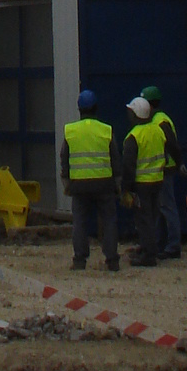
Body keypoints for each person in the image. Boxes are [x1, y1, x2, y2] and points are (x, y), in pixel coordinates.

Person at [59, 88, 121, 274]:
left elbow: (64, 158)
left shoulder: (71, 131)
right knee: (109, 220)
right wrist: (117, 183)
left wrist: (67, 183)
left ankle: (79, 260)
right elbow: (115, 158)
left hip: (79, 185)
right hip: (104, 184)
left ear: (79, 109)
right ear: (96, 108)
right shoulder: (105, 130)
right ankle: (112, 260)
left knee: (80, 222)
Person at [125, 96, 166, 268]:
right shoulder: (158, 130)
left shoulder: (134, 136)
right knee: (153, 217)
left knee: (143, 220)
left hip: (142, 184)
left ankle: (149, 255)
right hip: (157, 180)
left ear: (136, 114)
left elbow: (128, 165)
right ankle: (148, 248)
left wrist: (125, 189)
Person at [144, 84, 184, 259]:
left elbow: (171, 143)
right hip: (162, 169)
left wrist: (179, 162)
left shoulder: (160, 121)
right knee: (161, 209)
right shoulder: (157, 119)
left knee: (167, 207)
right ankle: (160, 244)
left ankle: (173, 246)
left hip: (165, 169)